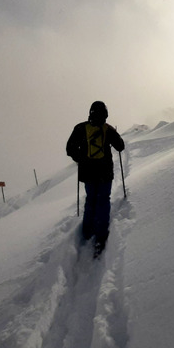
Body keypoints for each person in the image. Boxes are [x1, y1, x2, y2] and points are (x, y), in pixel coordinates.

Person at [66, 101, 125, 258]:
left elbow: (69, 148)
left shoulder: (80, 128)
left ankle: (86, 231)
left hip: (88, 173)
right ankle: (100, 236)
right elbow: (120, 147)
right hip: (105, 172)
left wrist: (80, 158)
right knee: (103, 201)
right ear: (105, 114)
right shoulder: (108, 129)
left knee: (91, 200)